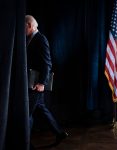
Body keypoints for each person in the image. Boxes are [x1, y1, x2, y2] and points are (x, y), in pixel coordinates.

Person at [25, 15, 68, 149]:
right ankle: (59, 133)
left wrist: (42, 83)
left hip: (36, 84)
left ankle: (27, 144)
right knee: (41, 109)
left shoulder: (40, 39)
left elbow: (47, 63)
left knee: (27, 114)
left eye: (23, 27)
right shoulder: (30, 39)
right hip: (33, 83)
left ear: (29, 25)